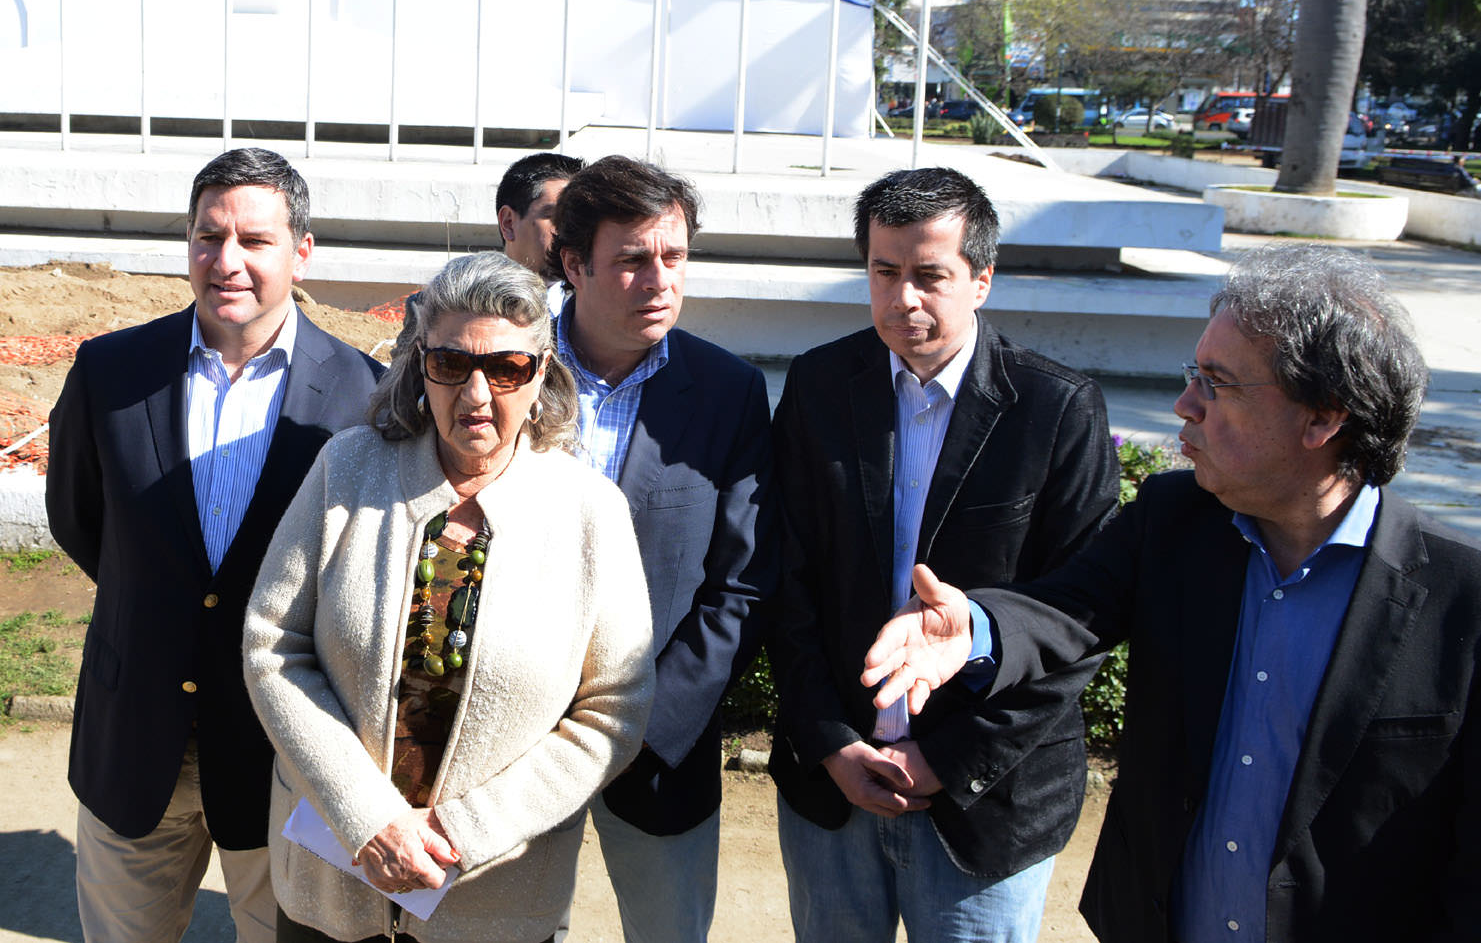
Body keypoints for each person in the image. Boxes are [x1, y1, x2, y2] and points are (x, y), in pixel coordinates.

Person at [863, 244, 1481, 943]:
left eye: (1216, 383)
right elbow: (1067, 609)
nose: (1184, 404)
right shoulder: (1174, 518)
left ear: (1321, 419)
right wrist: (973, 627)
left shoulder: (1460, 596)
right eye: (1193, 374)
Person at [244, 251, 655, 943]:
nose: (474, 395)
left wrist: (462, 832)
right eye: (450, 365)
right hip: (331, 883)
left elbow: (614, 709)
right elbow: (272, 646)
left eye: (505, 369)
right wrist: (364, 813)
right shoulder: (346, 468)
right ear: (418, 366)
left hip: (495, 901)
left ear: (541, 375)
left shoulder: (590, 512)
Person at [768, 166, 1119, 943]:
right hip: (832, 788)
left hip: (986, 803)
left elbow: (1082, 616)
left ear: (981, 278)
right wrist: (828, 741)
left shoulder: (1055, 409)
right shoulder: (821, 384)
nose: (903, 300)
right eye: (884, 273)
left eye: (930, 276)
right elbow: (785, 581)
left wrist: (948, 758)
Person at [46, 147, 383, 943]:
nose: (225, 261)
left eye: (254, 241)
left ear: (302, 251)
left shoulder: (363, 396)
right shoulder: (110, 370)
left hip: (281, 757)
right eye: (207, 236)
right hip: (135, 741)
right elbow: (80, 518)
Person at [548, 154, 775, 943]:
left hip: (656, 748)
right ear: (574, 264)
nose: (660, 281)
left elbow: (741, 586)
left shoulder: (728, 392)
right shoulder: (502, 368)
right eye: (632, 261)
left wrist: (644, 721)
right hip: (501, 738)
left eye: (673, 258)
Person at [495, 151, 584, 282]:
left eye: (579, 219)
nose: (571, 230)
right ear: (508, 223)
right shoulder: (465, 298)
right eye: (557, 217)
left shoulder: (601, 300)